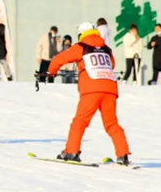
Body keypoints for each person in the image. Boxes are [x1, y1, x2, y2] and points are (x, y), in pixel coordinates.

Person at [47, 22, 131, 165]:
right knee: (111, 123)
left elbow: (59, 59)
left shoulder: (81, 47)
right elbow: (112, 64)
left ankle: (71, 152)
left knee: (80, 121)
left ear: (81, 35)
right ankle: (123, 154)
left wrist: (51, 72)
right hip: (110, 89)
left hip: (91, 89)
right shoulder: (106, 49)